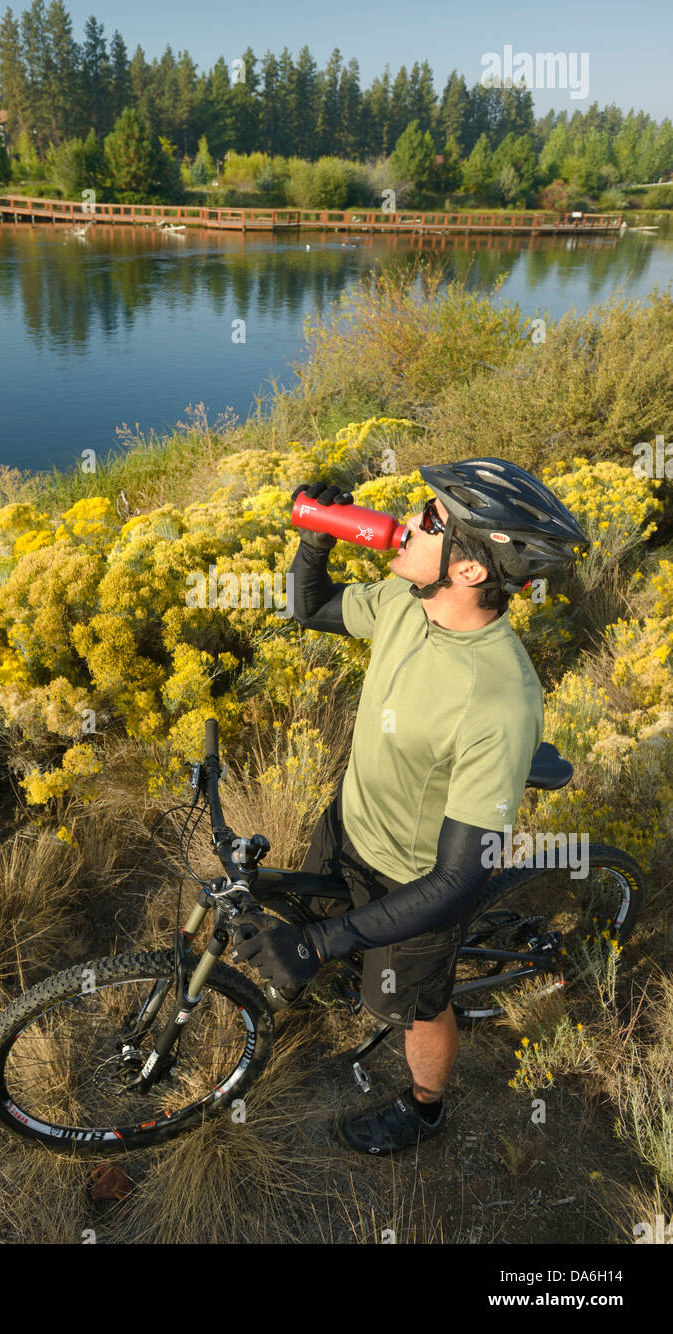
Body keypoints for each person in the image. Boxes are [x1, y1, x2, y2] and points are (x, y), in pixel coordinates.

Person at [232, 459, 589, 1156]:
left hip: (415, 881)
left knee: (412, 1005)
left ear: (470, 570)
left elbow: (457, 882)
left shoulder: (497, 698)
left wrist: (314, 948)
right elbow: (309, 609)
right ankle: (338, 964)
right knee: (320, 924)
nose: (403, 524)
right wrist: (314, 539)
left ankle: (424, 1107)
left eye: (429, 520)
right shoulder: (406, 600)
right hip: (350, 827)